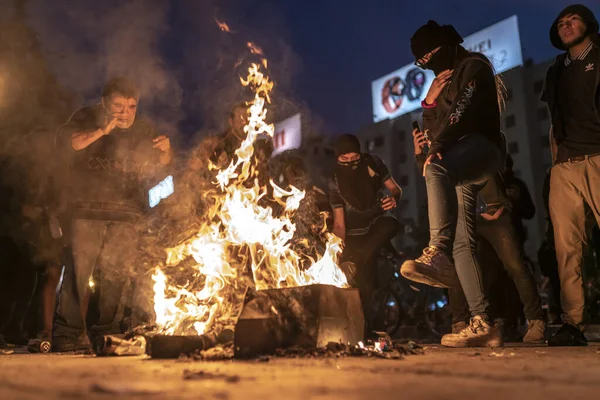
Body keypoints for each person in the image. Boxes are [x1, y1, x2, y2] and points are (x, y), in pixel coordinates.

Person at [400, 20, 506, 347]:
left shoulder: (474, 67)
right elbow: (437, 128)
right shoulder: (441, 84)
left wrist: (436, 148)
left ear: (445, 47)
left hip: (483, 148)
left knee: (436, 169)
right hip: (459, 158)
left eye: (430, 54)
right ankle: (481, 322)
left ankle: (436, 253)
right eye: (421, 61)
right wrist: (428, 104)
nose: (427, 63)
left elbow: (461, 113)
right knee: (462, 243)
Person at [52, 77, 173, 351]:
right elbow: (70, 145)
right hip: (86, 212)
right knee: (77, 275)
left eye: (131, 106)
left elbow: (161, 166)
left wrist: (167, 151)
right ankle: (67, 335)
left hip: (128, 215)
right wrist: (101, 131)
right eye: (118, 106)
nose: (125, 113)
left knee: (116, 277)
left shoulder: (143, 128)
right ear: (104, 103)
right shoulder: (86, 116)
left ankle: (106, 334)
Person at [542, 4, 600, 346]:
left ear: (588, 23)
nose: (566, 26)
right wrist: (555, 164)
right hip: (565, 165)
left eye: (572, 19)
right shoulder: (556, 70)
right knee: (566, 248)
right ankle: (573, 323)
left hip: (598, 156)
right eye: (561, 23)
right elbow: (553, 120)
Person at [329, 134, 402, 333]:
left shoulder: (373, 163)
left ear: (360, 154)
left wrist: (393, 199)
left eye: (354, 158)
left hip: (375, 227)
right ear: (338, 158)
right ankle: (362, 329)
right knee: (364, 283)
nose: (351, 163)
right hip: (353, 235)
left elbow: (395, 189)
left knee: (391, 225)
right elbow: (339, 224)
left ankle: (356, 262)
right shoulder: (334, 179)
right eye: (344, 160)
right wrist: (338, 251)